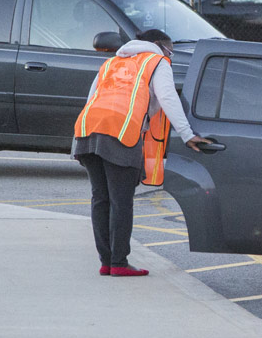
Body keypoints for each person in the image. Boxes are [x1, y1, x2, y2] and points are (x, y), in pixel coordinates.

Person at [72, 29, 208, 277]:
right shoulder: (157, 61)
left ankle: (107, 261)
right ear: (157, 45)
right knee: (121, 201)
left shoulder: (112, 62)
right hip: (121, 132)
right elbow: (168, 98)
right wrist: (188, 135)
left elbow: (92, 97)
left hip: (87, 128)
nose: (171, 56)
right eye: (170, 51)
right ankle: (119, 263)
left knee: (100, 199)